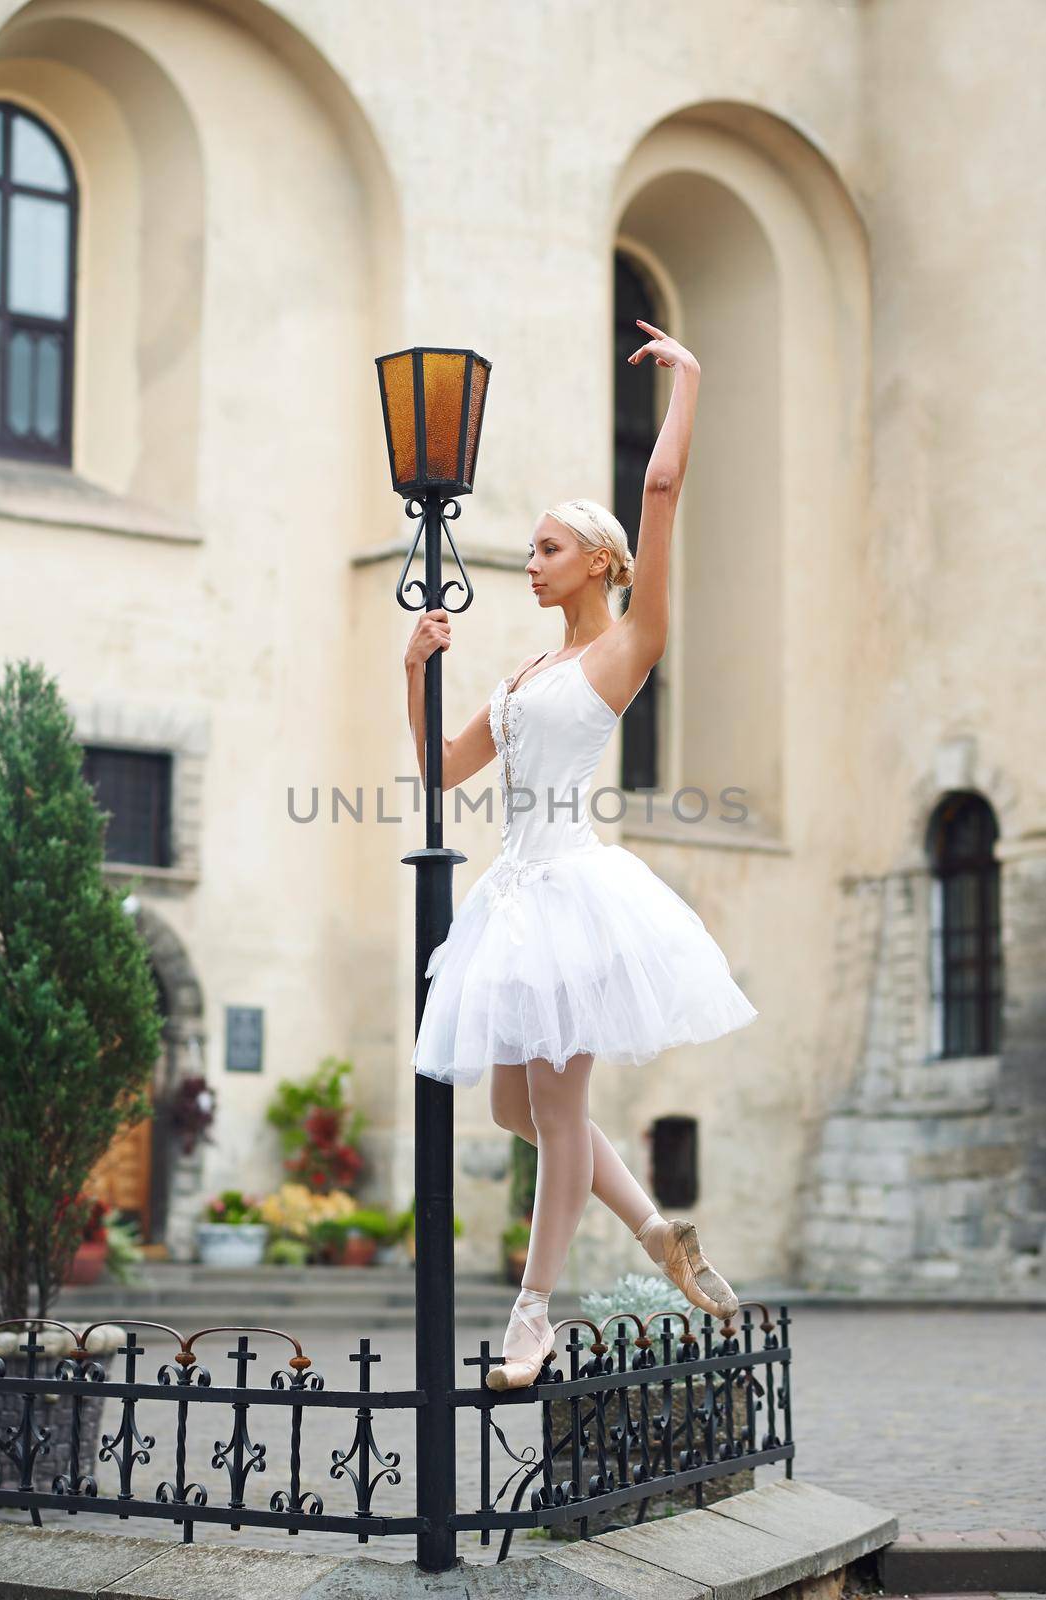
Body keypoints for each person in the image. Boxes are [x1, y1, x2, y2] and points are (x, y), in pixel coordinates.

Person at [403, 319, 759, 1392]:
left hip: (574, 894)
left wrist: (689, 380)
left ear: (600, 561)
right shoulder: (519, 674)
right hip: (511, 900)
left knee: (554, 1114)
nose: (531, 558)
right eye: (531, 546)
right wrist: (410, 663)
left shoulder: (623, 646)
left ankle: (532, 1314)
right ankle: (657, 1230)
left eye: (549, 546)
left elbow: (661, 497)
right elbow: (438, 772)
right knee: (518, 1110)